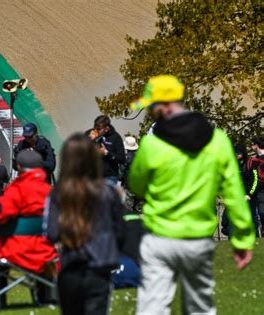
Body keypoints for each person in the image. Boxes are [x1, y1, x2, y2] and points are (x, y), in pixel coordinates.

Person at [129, 75, 255, 314]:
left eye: (152, 107)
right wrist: (242, 238)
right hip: (197, 237)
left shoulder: (152, 144)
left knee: (152, 307)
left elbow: (136, 184)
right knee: (200, 308)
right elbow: (233, 193)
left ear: (165, 106)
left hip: (160, 236)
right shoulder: (217, 142)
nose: (150, 112)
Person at [44, 134, 124, 315]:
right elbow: (119, 232)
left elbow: (51, 233)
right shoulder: (108, 192)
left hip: (71, 268)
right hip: (100, 268)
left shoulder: (58, 194)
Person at [0, 150, 57, 308]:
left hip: (15, 249)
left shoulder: (16, 189)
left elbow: (1, 215)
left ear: (19, 167)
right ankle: (46, 296)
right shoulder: (50, 192)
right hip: (45, 249)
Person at [91, 115, 126, 184]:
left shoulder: (116, 138)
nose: (96, 130)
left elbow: (122, 159)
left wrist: (107, 153)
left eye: (98, 129)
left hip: (109, 177)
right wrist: (89, 140)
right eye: (95, 128)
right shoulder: (93, 133)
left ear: (106, 128)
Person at [248, 136, 264, 235]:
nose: (251, 146)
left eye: (252, 144)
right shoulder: (254, 160)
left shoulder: (254, 161)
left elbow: (255, 179)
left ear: (256, 145)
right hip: (260, 192)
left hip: (260, 192)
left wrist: (249, 194)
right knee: (262, 213)